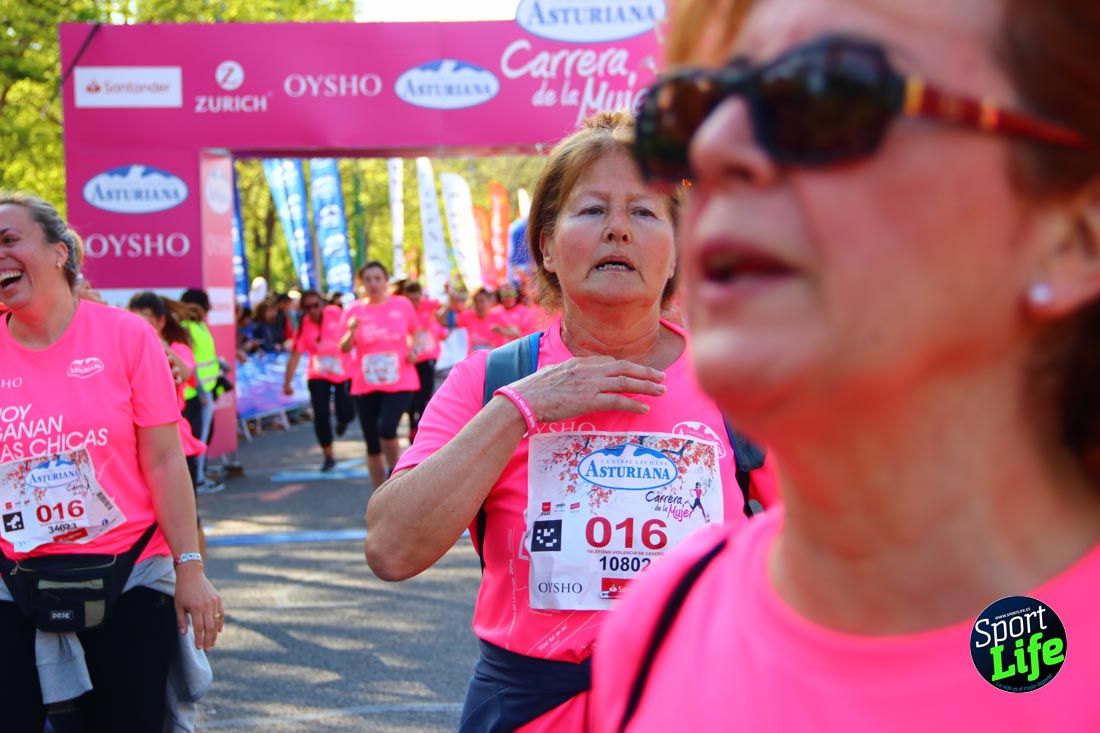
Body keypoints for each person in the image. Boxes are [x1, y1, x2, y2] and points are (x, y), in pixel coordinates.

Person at [588, 1, 1100, 730]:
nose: (717, 148)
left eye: (829, 93)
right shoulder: (660, 623)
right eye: (694, 111)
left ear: (1075, 238)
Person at [365, 112, 775, 733]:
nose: (617, 228)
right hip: (532, 709)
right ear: (547, 248)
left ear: (677, 252)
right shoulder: (489, 380)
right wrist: (518, 410)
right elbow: (391, 549)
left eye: (644, 211)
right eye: (592, 210)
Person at [0, 193, 222, 732]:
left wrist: (191, 569)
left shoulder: (126, 336)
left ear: (59, 252)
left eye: (8, 240)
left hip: (130, 571)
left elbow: (165, 461)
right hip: (13, 573)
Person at [128, 292, 211, 557]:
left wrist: (151, 339)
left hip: (178, 444)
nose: (139, 324)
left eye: (145, 319)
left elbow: (186, 372)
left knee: (188, 518)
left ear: (161, 321)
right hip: (142, 445)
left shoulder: (177, 348)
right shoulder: (129, 349)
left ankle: (197, 570)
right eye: (134, 319)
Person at [339, 261, 424, 489]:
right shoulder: (353, 310)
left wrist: (414, 349)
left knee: (386, 428)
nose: (373, 284)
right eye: (368, 280)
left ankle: (395, 478)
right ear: (361, 283)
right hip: (365, 383)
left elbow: (416, 331)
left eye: (378, 278)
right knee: (372, 443)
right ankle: (378, 493)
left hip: (400, 380)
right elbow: (344, 348)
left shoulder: (402, 305)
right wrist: (351, 331)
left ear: (386, 281)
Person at [283, 289, 355, 472]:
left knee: (346, 413)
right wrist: (287, 382)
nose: (312, 310)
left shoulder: (335, 313)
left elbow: (352, 326)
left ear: (322, 304)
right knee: (321, 415)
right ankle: (328, 456)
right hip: (318, 374)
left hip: (342, 371)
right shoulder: (303, 327)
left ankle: (342, 421)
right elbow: (295, 356)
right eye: (307, 307)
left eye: (315, 305)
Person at [179, 288, 225, 494]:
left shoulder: (199, 326)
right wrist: (200, 389)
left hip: (204, 391)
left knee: (203, 437)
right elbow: (190, 362)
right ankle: (197, 480)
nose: (209, 308)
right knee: (197, 439)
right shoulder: (186, 328)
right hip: (194, 395)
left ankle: (199, 477)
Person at [400, 281, 445, 441]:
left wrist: (441, 314)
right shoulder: (402, 309)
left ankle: (420, 426)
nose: (415, 303)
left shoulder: (429, 305)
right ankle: (413, 424)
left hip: (427, 357)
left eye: (417, 299)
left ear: (421, 295)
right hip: (409, 358)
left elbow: (445, 307)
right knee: (412, 395)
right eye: (410, 300)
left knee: (425, 393)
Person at [487, 281, 540, 348]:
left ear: (516, 294)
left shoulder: (525, 311)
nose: (508, 297)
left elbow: (521, 334)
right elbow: (489, 331)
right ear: (500, 296)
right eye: (505, 294)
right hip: (498, 349)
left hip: (520, 348)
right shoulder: (494, 312)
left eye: (511, 293)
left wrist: (501, 330)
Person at [456, 287, 498, 353]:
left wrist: (503, 330)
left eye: (481, 301)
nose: (479, 305)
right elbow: (446, 322)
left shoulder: (498, 315)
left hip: (494, 357)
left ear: (490, 302)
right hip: (472, 357)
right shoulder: (467, 316)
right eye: (476, 301)